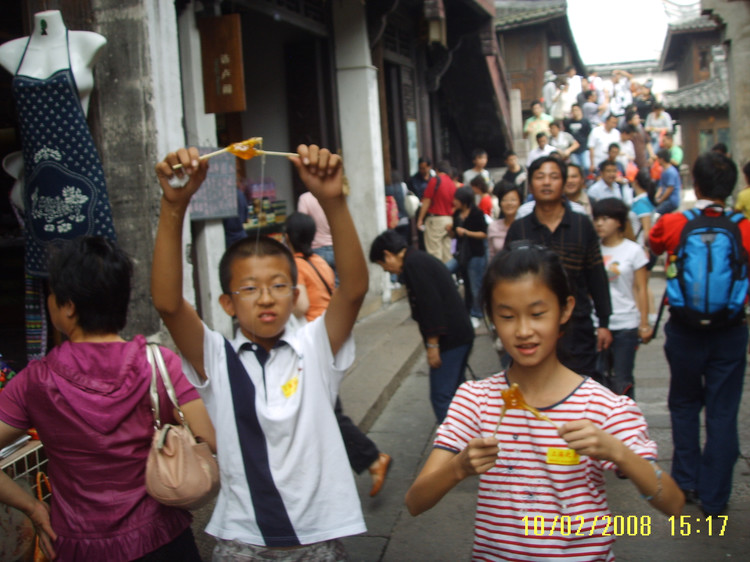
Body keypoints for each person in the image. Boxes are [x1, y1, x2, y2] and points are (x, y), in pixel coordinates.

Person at [152, 145, 368, 558]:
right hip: (242, 538)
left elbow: (354, 290)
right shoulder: (216, 356)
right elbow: (168, 303)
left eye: (278, 285)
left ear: (295, 293)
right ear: (227, 304)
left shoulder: (315, 346)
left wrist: (333, 200)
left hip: (317, 536)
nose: (266, 297)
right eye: (249, 288)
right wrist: (173, 205)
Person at [404, 244, 684, 560]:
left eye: (538, 314)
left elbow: (673, 504)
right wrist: (459, 467)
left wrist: (616, 451)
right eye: (507, 316)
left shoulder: (604, 407)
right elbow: (415, 502)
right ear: (491, 316)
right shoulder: (476, 401)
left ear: (565, 310)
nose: (523, 331)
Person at [0, 236, 215, 561]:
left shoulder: (34, 382)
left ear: (69, 306)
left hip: (77, 546)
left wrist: (33, 507)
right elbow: (210, 439)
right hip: (162, 539)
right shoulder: (159, 364)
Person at [649, 151, 750, 516]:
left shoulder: (675, 222)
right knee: (723, 412)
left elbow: (655, 244)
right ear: (731, 186)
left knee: (684, 404)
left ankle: (685, 482)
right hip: (731, 331)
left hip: (685, 330)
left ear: (698, 184)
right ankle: (716, 497)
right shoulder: (744, 227)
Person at [284, 212, 391, 497]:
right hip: (333, 335)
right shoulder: (319, 260)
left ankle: (370, 458)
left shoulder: (293, 266)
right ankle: (362, 460)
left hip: (316, 340)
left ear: (288, 236)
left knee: (325, 408)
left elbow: (301, 304)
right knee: (325, 404)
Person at [505, 156, 613, 381]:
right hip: (531, 331)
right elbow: (506, 280)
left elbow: (596, 276)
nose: (546, 183)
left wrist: (604, 322)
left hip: (577, 327)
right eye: (540, 177)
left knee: (579, 394)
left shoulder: (582, 225)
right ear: (531, 185)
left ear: (563, 183)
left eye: (553, 177)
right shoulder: (519, 229)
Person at [370, 231, 473, 423]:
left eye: (382, 264)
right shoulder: (416, 260)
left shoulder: (413, 264)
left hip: (451, 339)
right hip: (460, 334)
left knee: (442, 396)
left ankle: (453, 447)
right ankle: (470, 438)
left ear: (388, 254)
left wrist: (433, 346)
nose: (386, 270)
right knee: (459, 395)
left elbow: (430, 306)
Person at [592, 198, 652, 398]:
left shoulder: (633, 250)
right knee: (597, 379)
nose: (599, 223)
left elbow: (641, 288)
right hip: (597, 323)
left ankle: (626, 423)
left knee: (622, 379)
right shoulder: (592, 249)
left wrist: (644, 323)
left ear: (619, 222)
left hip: (626, 323)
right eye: (597, 219)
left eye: (605, 218)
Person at [446, 186, 488, 326]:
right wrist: (451, 231)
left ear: (465, 200)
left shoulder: (477, 213)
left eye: (457, 199)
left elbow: (484, 234)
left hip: (475, 254)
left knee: (475, 285)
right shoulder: (457, 214)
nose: (454, 201)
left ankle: (476, 313)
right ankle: (466, 309)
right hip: (461, 254)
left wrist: (466, 232)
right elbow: (455, 236)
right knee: (446, 271)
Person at [417, 160, 457, 263]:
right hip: (449, 220)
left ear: (437, 170)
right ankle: (449, 276)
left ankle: (437, 277)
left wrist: (420, 219)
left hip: (435, 220)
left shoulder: (435, 180)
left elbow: (426, 201)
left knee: (434, 252)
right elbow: (455, 204)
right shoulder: (452, 183)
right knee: (447, 253)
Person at [297, 190, 335, 271]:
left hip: (317, 249)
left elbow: (302, 225)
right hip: (336, 249)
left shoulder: (305, 198)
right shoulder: (334, 195)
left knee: (321, 282)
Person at [488, 181, 522, 260]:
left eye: (513, 200)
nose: (509, 203)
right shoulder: (493, 227)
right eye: (504, 200)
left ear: (520, 202)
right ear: (500, 203)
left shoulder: (525, 225)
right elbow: (491, 254)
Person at [564, 104, 592, 171]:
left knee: (586, 166)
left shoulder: (585, 121)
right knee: (576, 168)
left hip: (583, 148)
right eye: (573, 110)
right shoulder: (568, 122)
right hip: (573, 150)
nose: (575, 112)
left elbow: (589, 134)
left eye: (576, 110)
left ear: (580, 110)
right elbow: (567, 135)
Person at [654, 148, 682, 214]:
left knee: (656, 213)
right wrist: (656, 197)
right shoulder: (664, 171)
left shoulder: (671, 171)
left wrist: (661, 200)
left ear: (662, 159)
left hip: (671, 201)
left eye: (658, 159)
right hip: (666, 200)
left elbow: (670, 188)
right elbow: (661, 187)